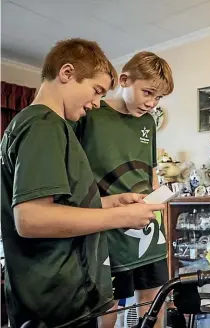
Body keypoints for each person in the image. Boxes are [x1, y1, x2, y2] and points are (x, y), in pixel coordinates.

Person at [0, 39, 165, 328]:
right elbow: (30, 218)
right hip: (55, 298)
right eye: (96, 90)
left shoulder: (49, 125)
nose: (97, 102)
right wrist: (119, 216)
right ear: (66, 73)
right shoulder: (43, 125)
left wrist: (109, 202)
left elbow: (60, 205)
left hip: (59, 293)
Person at [74, 51, 174, 328]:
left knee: (154, 302)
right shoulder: (90, 113)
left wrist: (158, 198)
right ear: (124, 79)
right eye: (148, 93)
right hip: (107, 225)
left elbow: (150, 171)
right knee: (109, 307)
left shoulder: (147, 122)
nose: (152, 103)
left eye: (159, 98)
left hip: (147, 228)